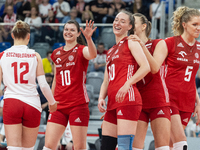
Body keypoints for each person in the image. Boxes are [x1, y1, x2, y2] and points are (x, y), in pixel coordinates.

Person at [0, 20, 57, 150]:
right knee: (28, 148)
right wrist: (52, 102)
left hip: (12, 102)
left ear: (13, 35)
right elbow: (43, 84)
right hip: (32, 104)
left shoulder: (2, 56)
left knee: (13, 147)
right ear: (29, 36)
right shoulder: (35, 55)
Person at [98, 10, 150, 150]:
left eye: (122, 21)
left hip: (128, 99)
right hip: (112, 102)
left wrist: (128, 83)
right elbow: (106, 80)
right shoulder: (110, 51)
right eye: (116, 20)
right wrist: (101, 97)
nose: (117, 23)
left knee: (124, 147)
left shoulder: (131, 42)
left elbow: (146, 67)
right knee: (106, 147)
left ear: (130, 26)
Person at [42, 20, 97, 150]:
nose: (68, 32)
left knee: (79, 147)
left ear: (78, 33)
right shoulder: (56, 53)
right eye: (66, 29)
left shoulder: (81, 50)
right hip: (59, 105)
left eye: (72, 30)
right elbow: (56, 78)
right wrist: (51, 100)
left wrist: (88, 39)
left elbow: (93, 54)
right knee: (49, 145)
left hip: (77, 104)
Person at [129, 13, 170, 150]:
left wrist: (142, 45)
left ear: (143, 26)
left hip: (157, 98)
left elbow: (154, 68)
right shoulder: (129, 48)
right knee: (135, 147)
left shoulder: (159, 43)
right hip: (137, 100)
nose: (129, 25)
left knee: (162, 147)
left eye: (133, 22)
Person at [164, 6, 200, 150]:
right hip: (169, 98)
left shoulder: (199, 48)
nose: (198, 28)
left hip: (188, 100)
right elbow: (154, 69)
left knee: (170, 144)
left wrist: (198, 102)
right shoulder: (170, 43)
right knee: (181, 141)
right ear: (184, 25)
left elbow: (191, 79)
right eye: (195, 24)